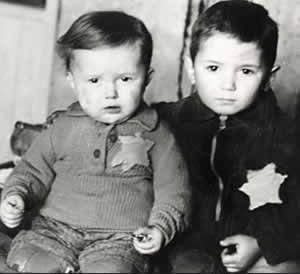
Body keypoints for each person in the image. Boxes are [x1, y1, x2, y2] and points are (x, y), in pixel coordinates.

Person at [0, 11, 191, 273]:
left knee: (112, 270)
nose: (110, 93)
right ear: (72, 80)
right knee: (28, 261)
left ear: (147, 77)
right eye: (94, 80)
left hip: (120, 240)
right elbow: (32, 169)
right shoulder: (62, 126)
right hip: (53, 229)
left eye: (125, 79)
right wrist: (16, 195)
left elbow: (174, 192)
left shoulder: (158, 133)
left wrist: (159, 227)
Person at [154, 0, 300, 273]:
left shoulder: (286, 135)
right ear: (191, 67)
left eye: (245, 71)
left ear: (268, 76)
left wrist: (262, 243)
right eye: (213, 68)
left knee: (283, 267)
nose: (227, 85)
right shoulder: (166, 121)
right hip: (187, 248)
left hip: (254, 245)